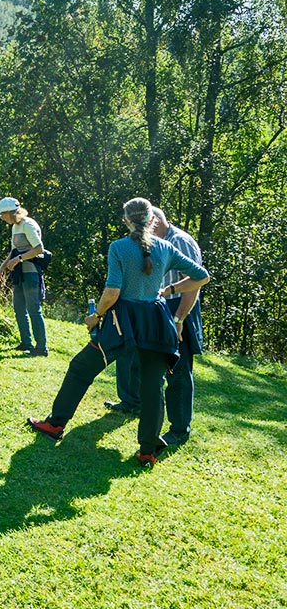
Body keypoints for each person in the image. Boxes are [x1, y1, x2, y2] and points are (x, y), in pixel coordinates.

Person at [28, 198, 209, 467]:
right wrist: (166, 291)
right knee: (152, 386)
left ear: (126, 220)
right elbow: (201, 276)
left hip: (122, 320)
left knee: (80, 368)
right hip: (156, 321)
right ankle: (147, 451)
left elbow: (112, 292)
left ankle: (55, 425)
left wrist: (96, 316)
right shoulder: (166, 247)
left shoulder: (119, 247)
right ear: (152, 221)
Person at [105, 207, 204, 446]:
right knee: (137, 360)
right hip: (152, 308)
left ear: (155, 221)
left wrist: (179, 319)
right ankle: (132, 402)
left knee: (177, 370)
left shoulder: (179, 241)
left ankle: (179, 429)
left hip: (178, 309)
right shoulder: (147, 241)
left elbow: (195, 284)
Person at [0, 197, 48, 357]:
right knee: (18, 308)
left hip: (30, 273)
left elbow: (39, 249)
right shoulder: (15, 227)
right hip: (19, 274)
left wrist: (19, 259)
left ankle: (41, 347)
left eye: (2, 215)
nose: (2, 219)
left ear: (10, 213)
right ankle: (26, 342)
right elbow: (13, 251)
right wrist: (2, 268)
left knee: (33, 309)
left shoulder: (28, 225)